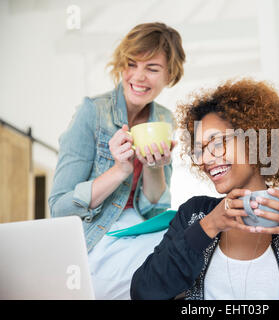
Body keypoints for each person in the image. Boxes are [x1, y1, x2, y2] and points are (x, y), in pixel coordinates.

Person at [130, 78, 279, 300]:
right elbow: (145, 293)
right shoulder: (195, 214)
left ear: (255, 140)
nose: (205, 159)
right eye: (200, 149)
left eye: (216, 143)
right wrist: (208, 226)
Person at [48, 22, 186, 299]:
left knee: (188, 252)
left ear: (170, 75)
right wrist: (119, 170)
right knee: (170, 270)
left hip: (138, 229)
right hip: (96, 235)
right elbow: (59, 209)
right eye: (131, 64)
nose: (138, 76)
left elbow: (155, 210)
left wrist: (154, 167)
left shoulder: (164, 119)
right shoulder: (93, 112)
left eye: (153, 68)